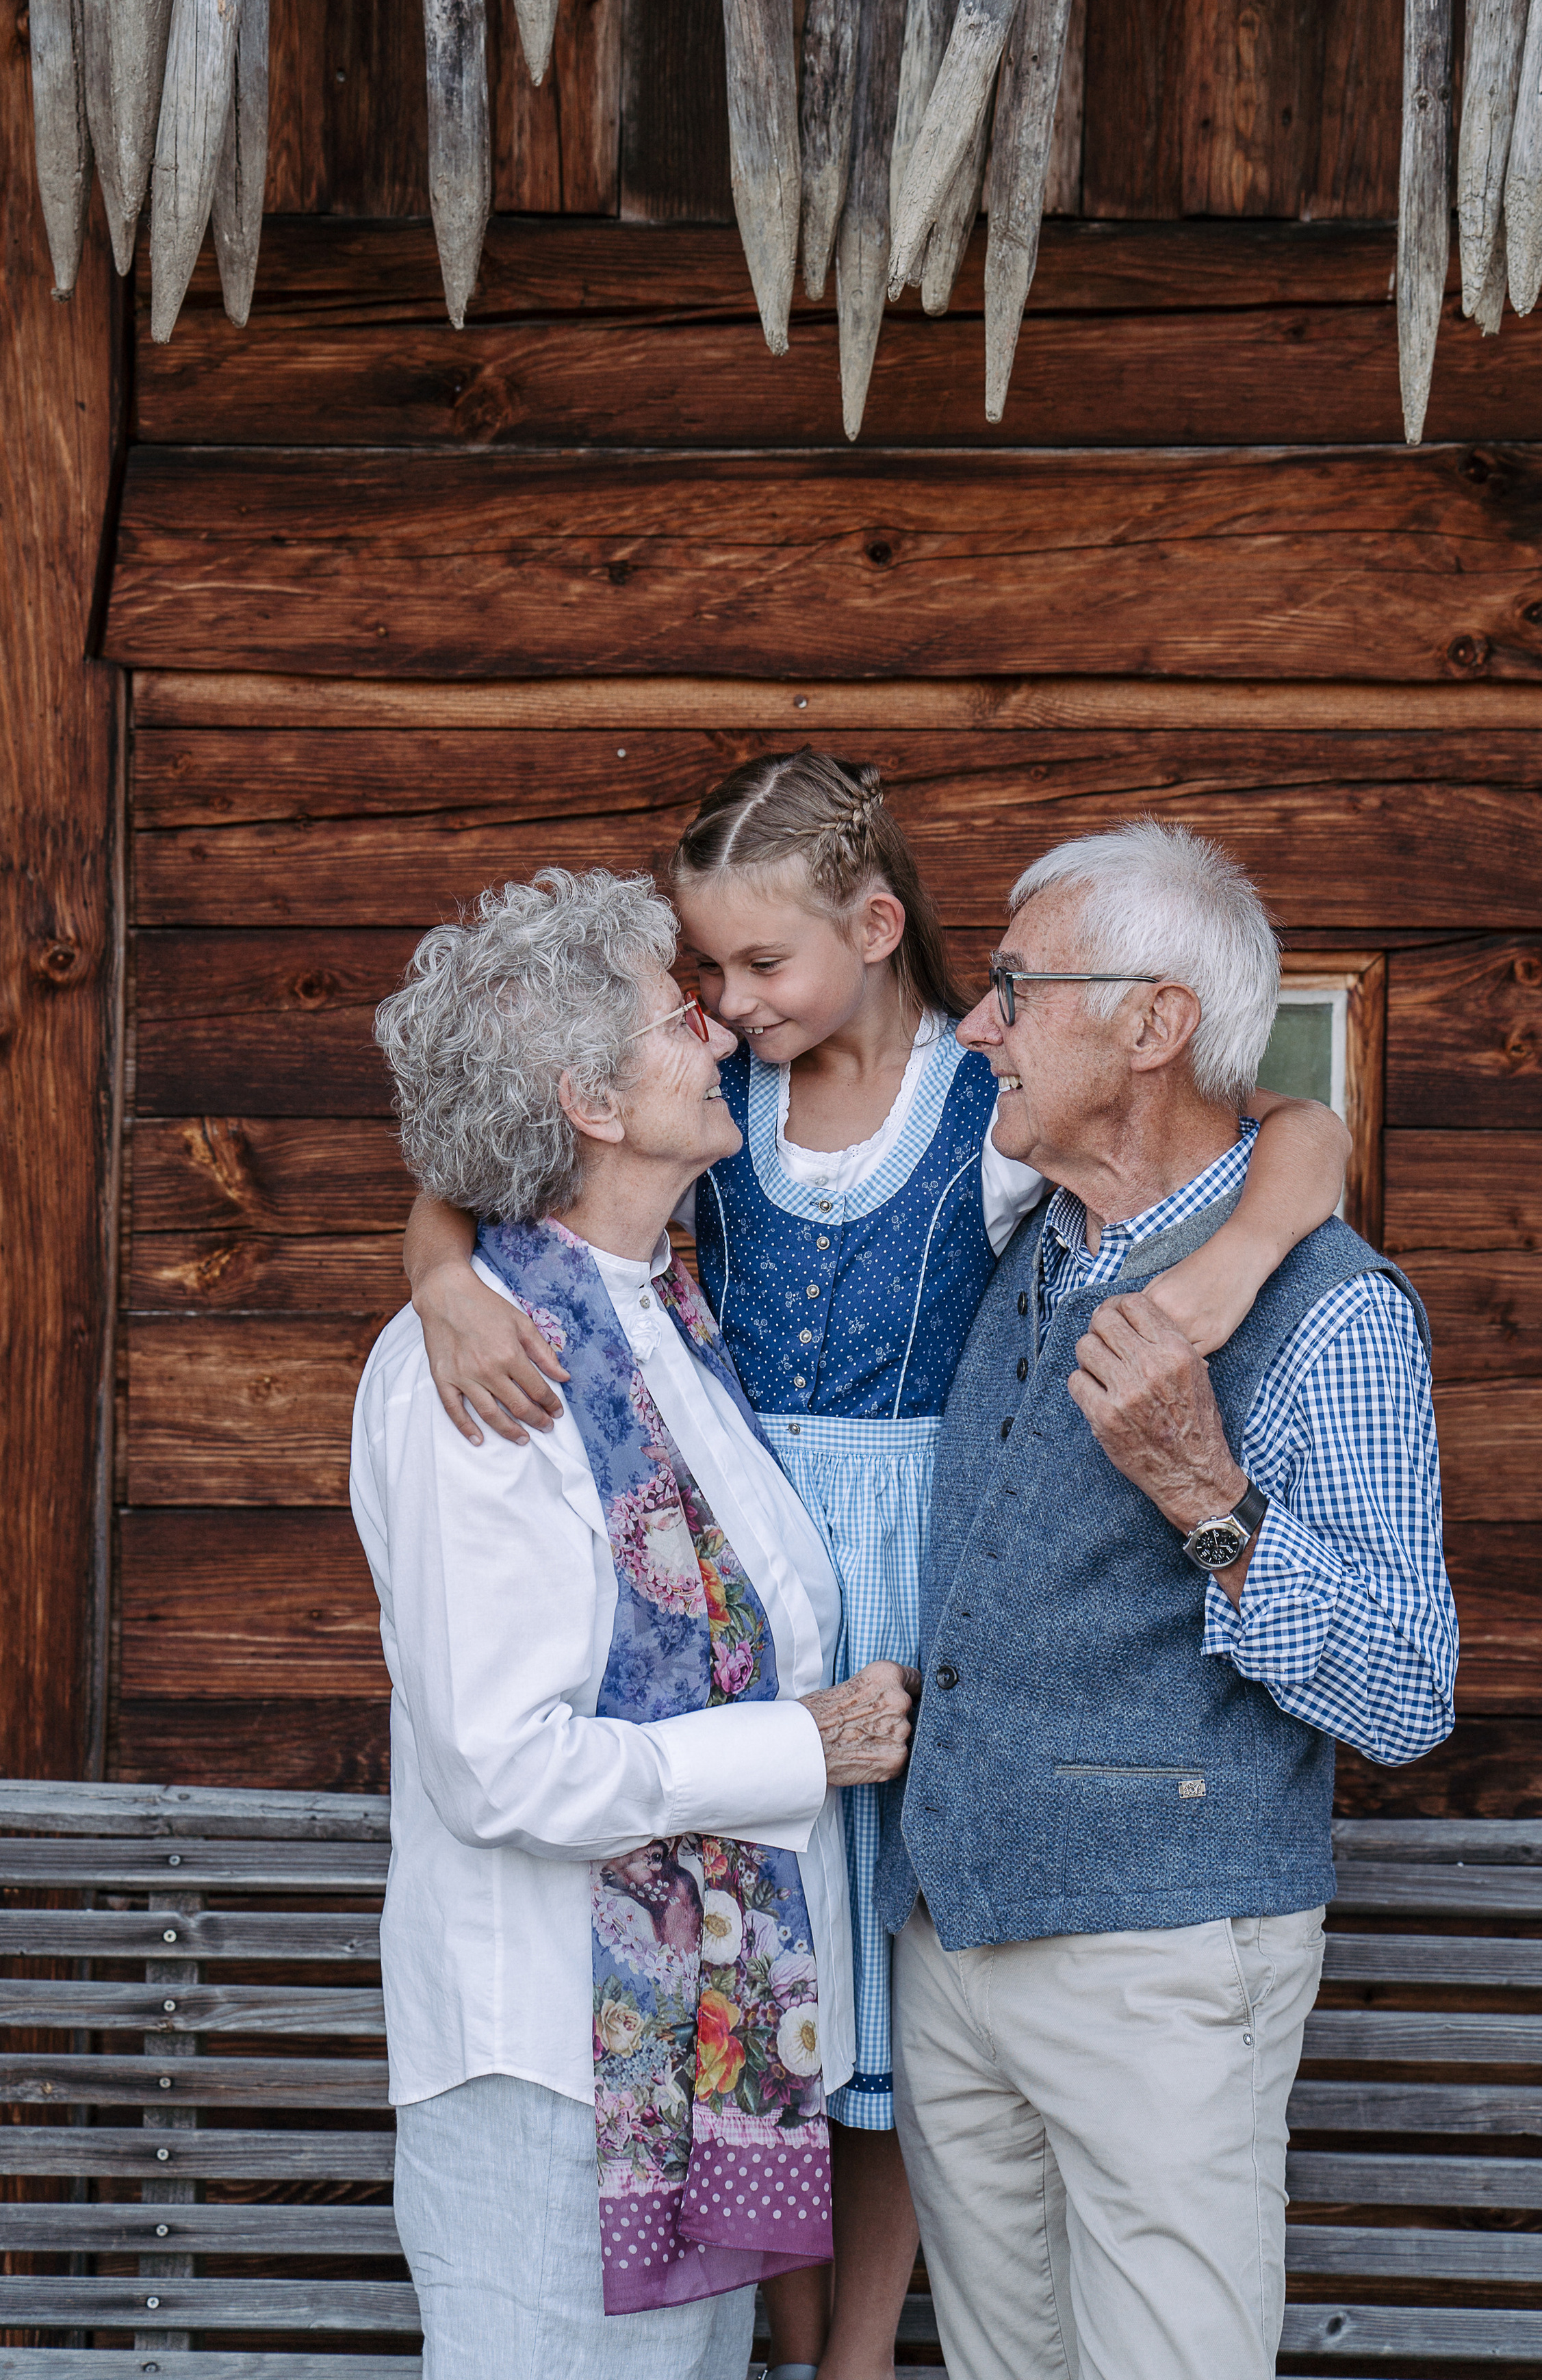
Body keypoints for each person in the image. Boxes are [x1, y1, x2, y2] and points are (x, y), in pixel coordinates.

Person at [400, 758, 1352, 2380]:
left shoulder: (977, 1101)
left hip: (914, 1568)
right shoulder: (719, 1116)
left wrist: (1243, 1262)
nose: (724, 1007)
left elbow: (1296, 1128)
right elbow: (487, 1157)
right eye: (696, 982)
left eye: (757, 969)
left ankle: (849, 2350)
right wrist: (437, 1272)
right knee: (779, 1943)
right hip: (732, 1532)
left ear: (873, 923)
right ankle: (774, 2329)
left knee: (892, 1988)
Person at [873, 820, 1459, 2380]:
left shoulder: (1329, 1315)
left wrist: (1206, 1500)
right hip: (955, 1937)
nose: (976, 1025)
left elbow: (1406, 1691)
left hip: (1162, 1954)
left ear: (1149, 1025)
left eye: (1012, 989)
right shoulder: (1023, 1227)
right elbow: (1290, 1120)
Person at [349, 865, 918, 2380]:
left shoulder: (658, 1308)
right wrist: (796, 1747)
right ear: (590, 1100)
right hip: (552, 2065)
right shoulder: (480, 1372)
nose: (725, 1034)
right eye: (683, 1020)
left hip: (680, 2053)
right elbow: (500, 1767)